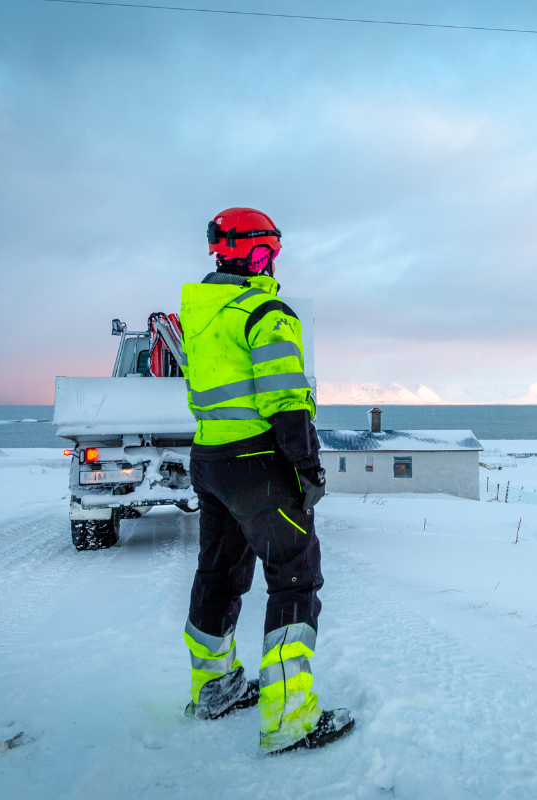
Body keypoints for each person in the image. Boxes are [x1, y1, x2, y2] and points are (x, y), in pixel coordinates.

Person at [177, 206, 354, 753]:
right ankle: (289, 719)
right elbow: (286, 398)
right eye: (271, 251)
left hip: (209, 459)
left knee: (219, 575)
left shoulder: (201, 314)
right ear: (258, 253)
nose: (274, 261)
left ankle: (215, 688)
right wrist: (308, 465)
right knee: (295, 578)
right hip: (257, 465)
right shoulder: (267, 313)